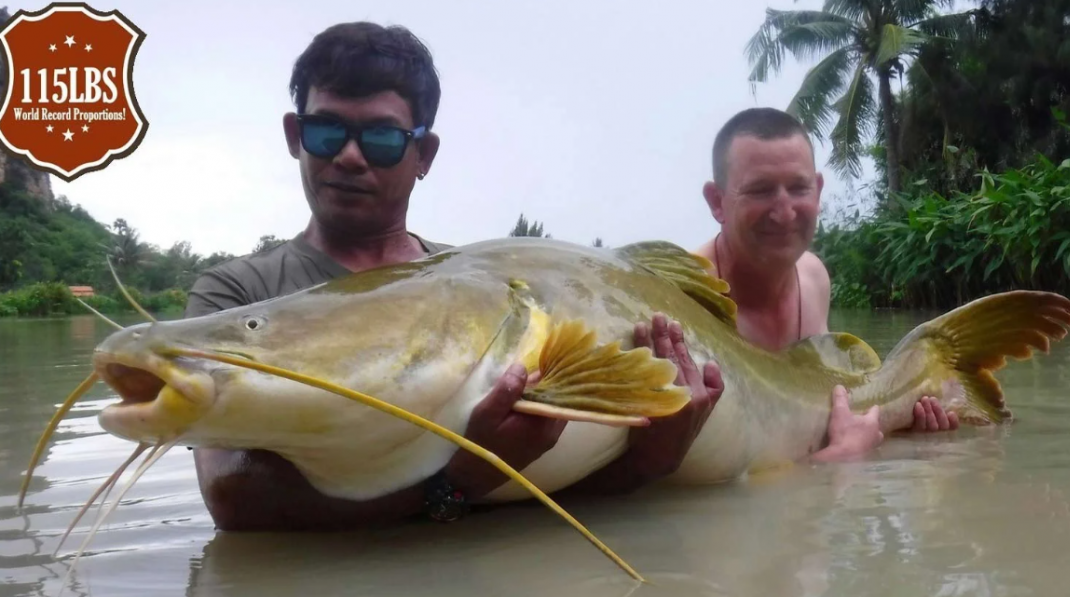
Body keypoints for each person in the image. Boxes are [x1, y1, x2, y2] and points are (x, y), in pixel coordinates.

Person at [182, 21, 730, 531]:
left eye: (381, 139)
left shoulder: (489, 293)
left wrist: (651, 463)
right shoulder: (235, 297)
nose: (349, 157)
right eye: (326, 132)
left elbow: (568, 493)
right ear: (294, 136)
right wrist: (457, 485)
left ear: (424, 153)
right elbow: (230, 496)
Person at [690, 107, 960, 457]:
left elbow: (828, 414)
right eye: (760, 191)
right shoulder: (688, 296)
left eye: (798, 188)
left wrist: (906, 426)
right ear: (716, 202)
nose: (785, 212)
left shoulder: (813, 277)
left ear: (817, 190)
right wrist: (844, 459)